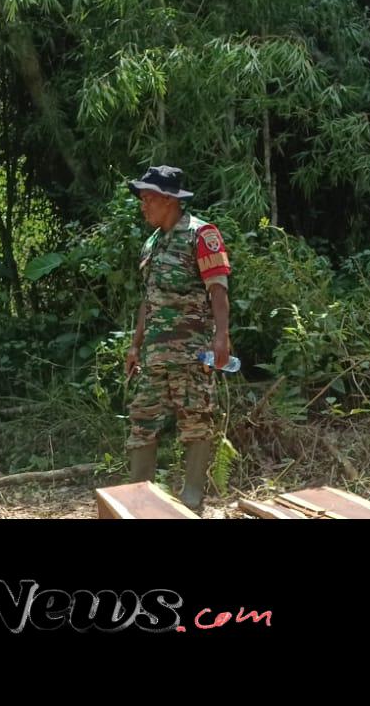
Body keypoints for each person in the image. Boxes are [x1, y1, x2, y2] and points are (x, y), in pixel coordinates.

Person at [123, 166, 233, 512]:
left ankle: (192, 500)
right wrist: (135, 345)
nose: (143, 206)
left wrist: (222, 336)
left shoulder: (201, 234)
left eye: (149, 199)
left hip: (191, 353)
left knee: (196, 421)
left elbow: (218, 290)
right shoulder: (152, 242)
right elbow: (149, 299)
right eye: (142, 199)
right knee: (142, 420)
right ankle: (139, 500)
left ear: (170, 200)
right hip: (154, 354)